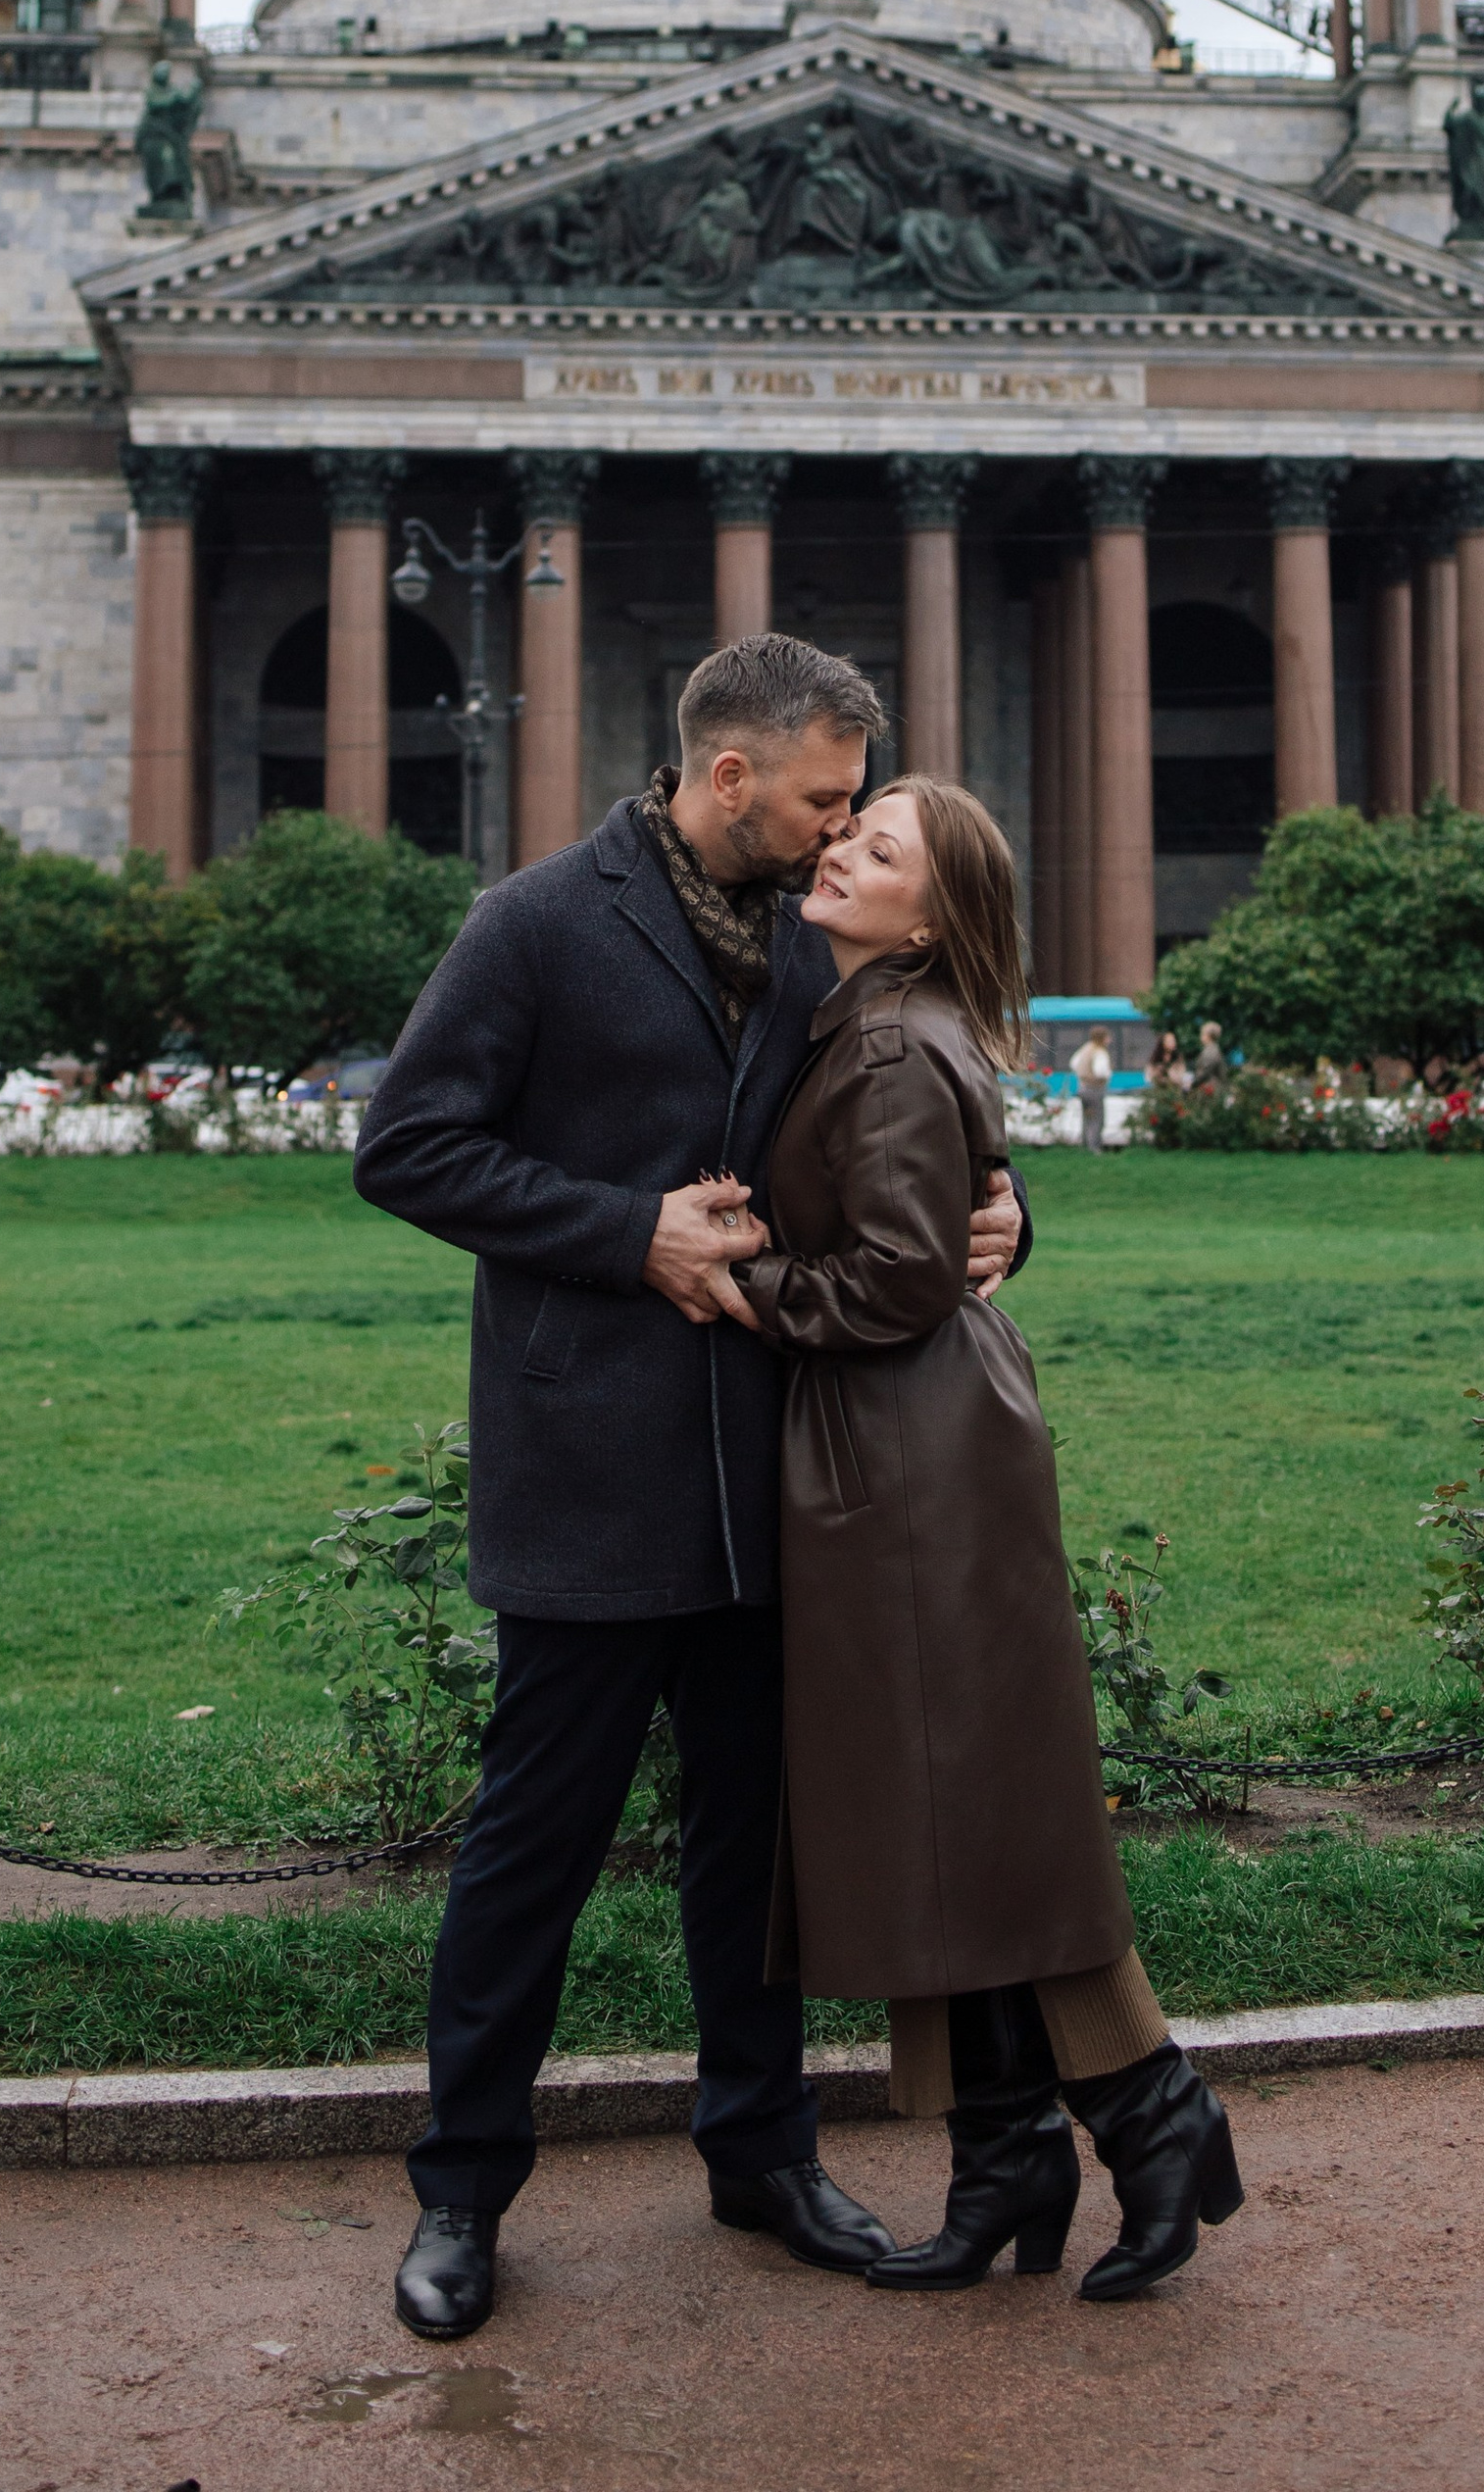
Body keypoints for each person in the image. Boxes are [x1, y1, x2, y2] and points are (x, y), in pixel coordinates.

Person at [352, 636, 1027, 2341]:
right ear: (730, 777)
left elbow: (929, 1118)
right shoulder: (535, 924)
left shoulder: (825, 946)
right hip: (590, 1471)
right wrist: (622, 1229)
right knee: (532, 1856)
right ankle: (462, 2192)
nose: (837, 832)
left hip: (786, 1475)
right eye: (820, 797)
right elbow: (407, 1146)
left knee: (756, 1858)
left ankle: (762, 2156)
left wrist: (1014, 1216)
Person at [739, 775, 1244, 2300]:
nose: (836, 849)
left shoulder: (888, 1037)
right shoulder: (881, 1017)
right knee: (947, 1823)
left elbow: (895, 1278)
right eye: (846, 828)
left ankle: (1125, 2123)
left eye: (876, 848)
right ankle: (1038, 2146)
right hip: (920, 1441)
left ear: (935, 915)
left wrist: (737, 1288)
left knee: (964, 1819)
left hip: (907, 1451)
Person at [1067, 1026, 1113, 1151]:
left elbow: (1073, 1063)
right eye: (1107, 1037)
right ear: (1102, 1038)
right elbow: (1101, 1072)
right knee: (1097, 1119)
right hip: (1094, 1089)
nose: (1110, 1040)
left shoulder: (1086, 1048)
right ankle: (1094, 1148)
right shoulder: (1099, 1052)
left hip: (1083, 1087)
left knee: (1087, 1118)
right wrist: (1108, 1074)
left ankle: (1085, 1145)